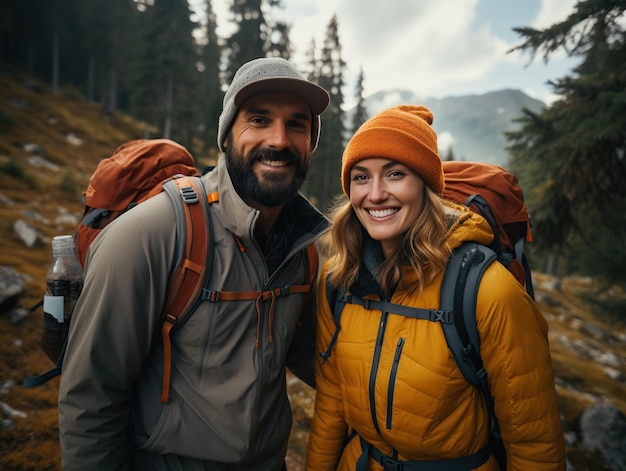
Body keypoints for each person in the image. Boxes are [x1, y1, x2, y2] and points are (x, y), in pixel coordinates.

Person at [58, 57, 331, 470]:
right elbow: (90, 398)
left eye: (297, 124)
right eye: (259, 119)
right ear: (226, 136)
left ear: (310, 142)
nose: (279, 139)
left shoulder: (304, 248)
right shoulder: (154, 233)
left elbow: (315, 357)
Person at [305, 105, 566, 470]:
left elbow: (533, 441)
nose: (375, 194)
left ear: (426, 186)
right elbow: (331, 403)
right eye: (361, 177)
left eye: (395, 174)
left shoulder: (486, 289)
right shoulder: (338, 281)